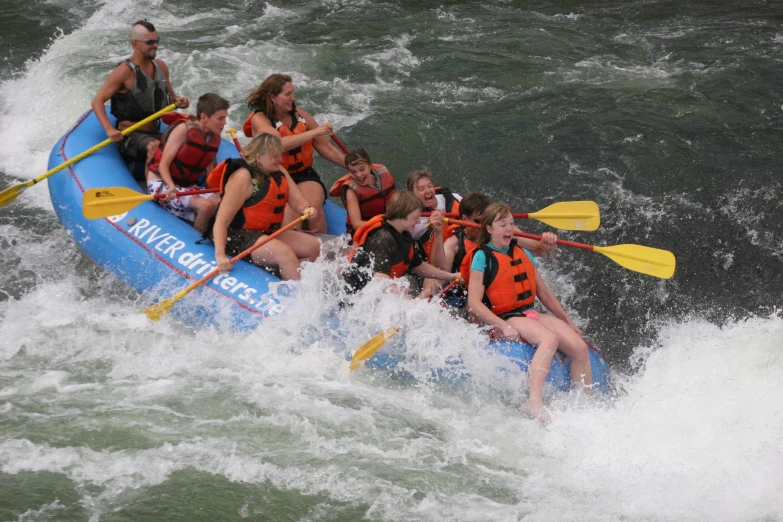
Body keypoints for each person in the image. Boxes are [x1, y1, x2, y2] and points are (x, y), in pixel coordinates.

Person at [462, 203, 592, 423]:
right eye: (502, 224)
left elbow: (543, 292)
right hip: (505, 317)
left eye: (511, 224)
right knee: (549, 339)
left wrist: (567, 320)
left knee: (579, 347)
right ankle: (534, 402)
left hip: (529, 313)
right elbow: (474, 303)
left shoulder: (520, 251)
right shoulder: (482, 257)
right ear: (489, 229)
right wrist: (503, 326)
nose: (509, 228)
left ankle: (586, 403)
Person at [243, 74, 345, 233]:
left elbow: (327, 148)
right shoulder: (260, 119)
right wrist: (314, 132)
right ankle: (299, 246)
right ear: (273, 97)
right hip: (275, 173)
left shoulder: (302, 116)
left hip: (303, 173)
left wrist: (352, 165)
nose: (293, 98)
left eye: (293, 93)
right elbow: (277, 144)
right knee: (293, 221)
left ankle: (324, 254)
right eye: (287, 94)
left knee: (315, 210)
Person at [211, 133, 320, 281]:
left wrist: (306, 209)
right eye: (275, 156)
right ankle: (297, 293)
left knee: (314, 246)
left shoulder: (278, 171)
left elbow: (297, 200)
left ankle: (291, 275)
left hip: (268, 231)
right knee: (285, 253)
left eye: (280, 155)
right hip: (238, 235)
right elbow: (221, 221)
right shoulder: (242, 178)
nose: (280, 160)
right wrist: (220, 255)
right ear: (258, 157)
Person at [91, 20, 189, 173]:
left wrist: (180, 102)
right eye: (150, 42)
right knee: (154, 146)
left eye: (157, 40)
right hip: (130, 135)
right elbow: (97, 101)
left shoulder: (161, 66)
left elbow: (173, 98)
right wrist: (109, 129)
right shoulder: (124, 71)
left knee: (194, 140)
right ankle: (155, 191)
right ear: (135, 44)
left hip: (155, 129)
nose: (156, 45)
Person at [441, 192, 558, 306]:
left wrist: (547, 244)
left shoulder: (504, 231)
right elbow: (436, 280)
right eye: (479, 221)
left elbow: (540, 250)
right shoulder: (452, 245)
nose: (484, 226)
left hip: (500, 292)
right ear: (465, 219)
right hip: (465, 297)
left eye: (487, 220)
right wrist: (453, 276)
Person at [343, 190, 462, 296]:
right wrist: (404, 301)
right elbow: (380, 279)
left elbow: (418, 265)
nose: (419, 221)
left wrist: (451, 276)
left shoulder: (404, 234)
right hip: (359, 297)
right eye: (416, 217)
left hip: (381, 292)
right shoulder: (383, 239)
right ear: (401, 216)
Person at [145, 93, 227, 233]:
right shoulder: (184, 130)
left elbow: (210, 172)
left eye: (225, 118)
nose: (224, 123)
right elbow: (163, 164)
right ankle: (197, 243)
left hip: (186, 186)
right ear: (204, 117)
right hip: (162, 184)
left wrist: (220, 192)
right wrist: (171, 186)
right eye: (220, 118)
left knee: (220, 204)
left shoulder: (213, 137)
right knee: (205, 207)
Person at [329, 148, 395, 237]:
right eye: (353, 171)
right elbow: (356, 224)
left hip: (388, 223)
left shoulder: (383, 176)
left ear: (370, 166)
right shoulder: (351, 192)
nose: (359, 175)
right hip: (366, 232)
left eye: (362, 169)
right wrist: (385, 225)